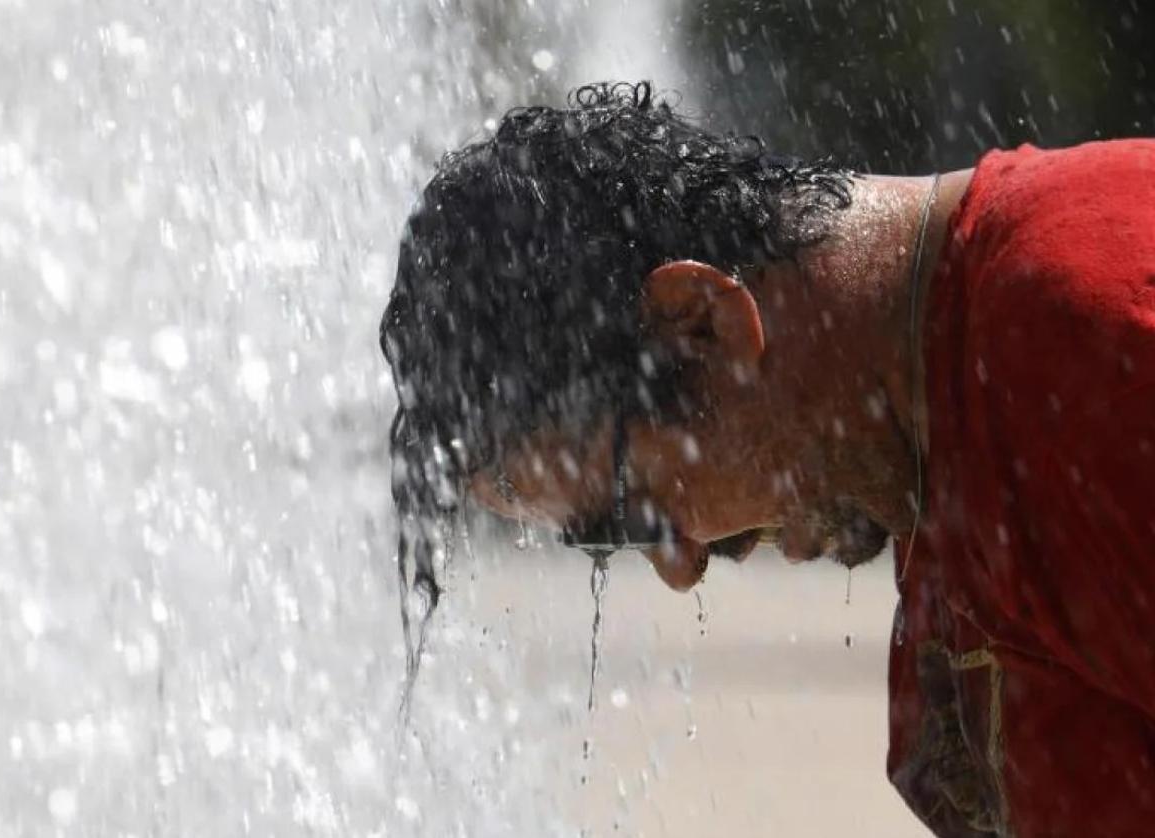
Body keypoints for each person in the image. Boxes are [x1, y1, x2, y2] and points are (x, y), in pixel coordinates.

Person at [379, 81, 1155, 837]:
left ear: (701, 324)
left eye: (634, 513)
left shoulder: (1079, 350)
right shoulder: (955, 446)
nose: (680, 566)